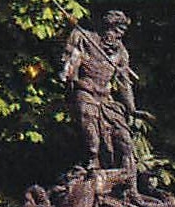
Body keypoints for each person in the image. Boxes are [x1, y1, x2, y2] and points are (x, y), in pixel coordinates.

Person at [59, 11, 138, 193]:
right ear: (108, 26)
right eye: (118, 29)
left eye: (123, 31)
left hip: (106, 99)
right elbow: (70, 66)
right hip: (85, 92)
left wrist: (132, 109)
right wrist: (68, 73)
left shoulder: (121, 52)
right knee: (92, 139)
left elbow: (124, 83)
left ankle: (131, 189)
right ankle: (91, 167)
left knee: (125, 142)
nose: (120, 34)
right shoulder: (84, 37)